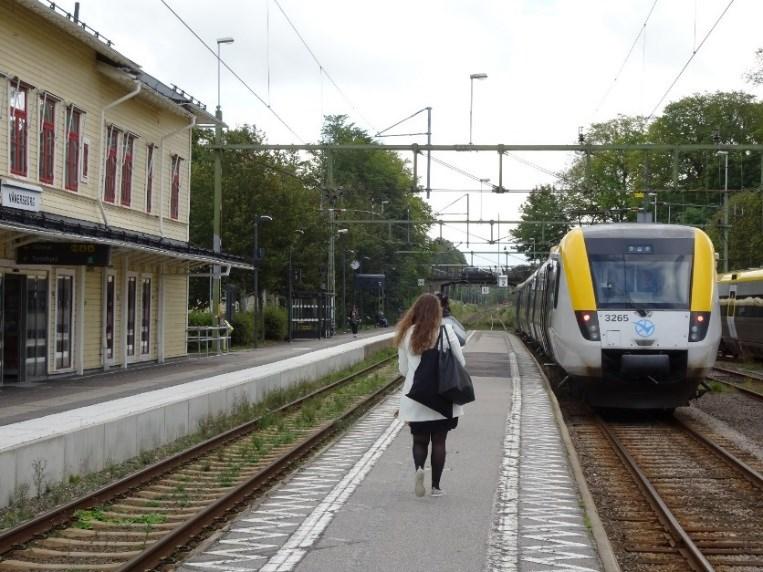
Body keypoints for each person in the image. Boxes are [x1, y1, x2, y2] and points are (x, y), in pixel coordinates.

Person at [395, 293, 466, 497]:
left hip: (416, 396)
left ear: (415, 310)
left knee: (419, 440)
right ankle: (435, 487)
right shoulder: (446, 331)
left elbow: (403, 369)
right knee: (439, 441)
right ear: (437, 312)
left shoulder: (407, 333)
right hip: (443, 394)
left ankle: (419, 469)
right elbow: (460, 362)